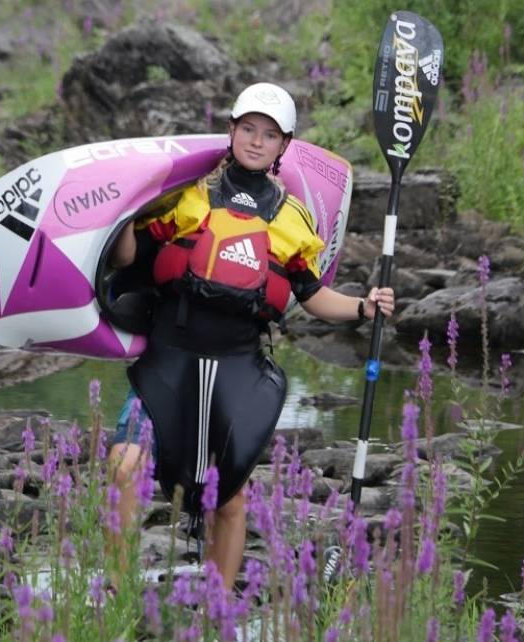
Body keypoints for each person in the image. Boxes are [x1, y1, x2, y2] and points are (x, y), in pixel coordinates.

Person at [105, 82, 395, 590]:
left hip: (238, 366)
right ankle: (117, 592)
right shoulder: (187, 196)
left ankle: (219, 608)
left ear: (285, 146)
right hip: (170, 357)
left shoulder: (292, 220)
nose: (256, 141)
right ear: (231, 131)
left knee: (230, 497)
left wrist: (362, 307)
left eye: (269, 134)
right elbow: (129, 259)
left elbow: (311, 294)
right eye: (248, 129)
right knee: (125, 463)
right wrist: (125, 211)